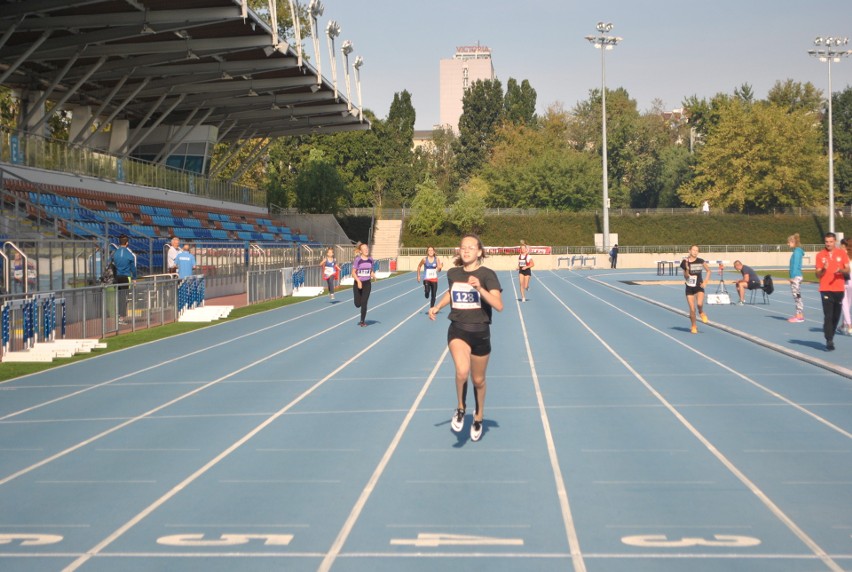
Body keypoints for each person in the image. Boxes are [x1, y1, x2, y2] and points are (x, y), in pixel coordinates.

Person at [428, 234, 503, 442]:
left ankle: (478, 416)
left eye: (471, 247)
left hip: (480, 332)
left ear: (480, 252)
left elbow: (499, 305)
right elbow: (452, 293)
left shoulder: (488, 275)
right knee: (462, 371)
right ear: (459, 251)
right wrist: (437, 306)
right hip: (458, 329)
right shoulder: (453, 273)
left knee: (478, 380)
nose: (467, 250)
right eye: (463, 247)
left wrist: (479, 288)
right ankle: (461, 408)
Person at [816, 232, 850, 351]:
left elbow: (847, 269)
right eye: (826, 242)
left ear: (835, 241)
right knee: (828, 315)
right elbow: (817, 274)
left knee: (836, 316)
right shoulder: (820, 255)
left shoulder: (841, 253)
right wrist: (824, 269)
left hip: (839, 289)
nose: (828, 244)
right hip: (825, 289)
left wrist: (840, 270)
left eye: (831, 242)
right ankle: (829, 339)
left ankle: (831, 334)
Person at [680, 245, 711, 334]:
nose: (695, 252)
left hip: (699, 286)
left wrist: (705, 282)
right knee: (692, 309)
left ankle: (701, 312)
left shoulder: (700, 261)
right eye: (693, 250)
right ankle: (693, 326)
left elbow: (709, 271)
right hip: (689, 287)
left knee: (699, 304)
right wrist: (687, 269)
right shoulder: (684, 262)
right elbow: (685, 276)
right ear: (689, 251)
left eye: (697, 250)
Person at [112, 234, 137, 325]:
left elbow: (112, 264)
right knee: (124, 298)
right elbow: (133, 268)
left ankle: (118, 315)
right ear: (127, 243)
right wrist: (134, 278)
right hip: (126, 277)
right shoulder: (129, 254)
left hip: (117, 277)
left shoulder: (115, 253)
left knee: (119, 296)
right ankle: (121, 318)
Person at [351, 242, 375, 327]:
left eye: (367, 248)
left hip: (367, 284)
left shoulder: (371, 259)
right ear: (360, 251)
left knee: (364, 303)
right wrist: (358, 281)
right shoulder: (358, 260)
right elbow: (353, 273)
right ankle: (359, 302)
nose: (366, 250)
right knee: (358, 304)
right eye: (364, 249)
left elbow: (370, 270)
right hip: (358, 283)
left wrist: (373, 274)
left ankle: (362, 321)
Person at [787, 233, 806, 323]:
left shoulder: (797, 252)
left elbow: (794, 266)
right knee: (797, 295)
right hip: (797, 276)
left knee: (797, 296)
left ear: (793, 242)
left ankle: (799, 316)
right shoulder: (797, 251)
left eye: (789, 242)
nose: (788, 244)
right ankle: (799, 314)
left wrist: (792, 277)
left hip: (796, 276)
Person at [842, 238, 852, 336]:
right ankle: (843, 325)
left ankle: (849, 326)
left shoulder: (844, 255)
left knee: (844, 305)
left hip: (845, 281)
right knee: (847, 305)